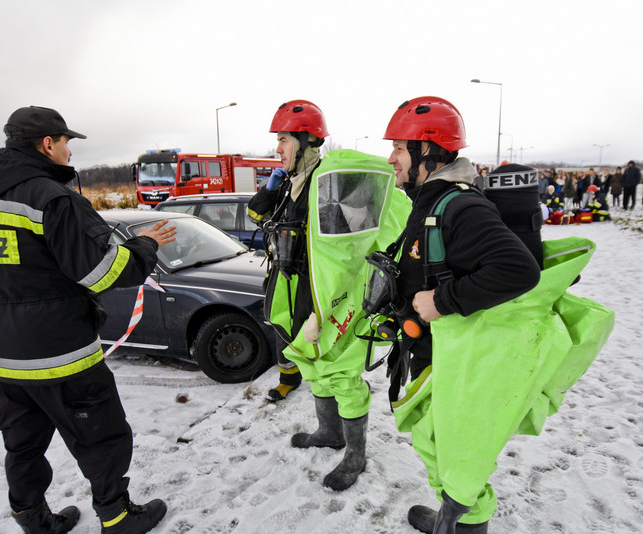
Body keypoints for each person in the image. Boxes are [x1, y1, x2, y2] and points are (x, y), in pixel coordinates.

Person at [377, 96, 614, 534]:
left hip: (455, 360)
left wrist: (442, 301)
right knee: (442, 447)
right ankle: (456, 517)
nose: (391, 158)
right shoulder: (430, 199)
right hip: (434, 351)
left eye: (398, 148)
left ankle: (463, 524)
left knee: (454, 453)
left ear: (428, 152)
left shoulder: (460, 207)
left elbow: (517, 270)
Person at [0, 106, 174, 534]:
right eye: (66, 142)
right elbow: (102, 272)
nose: (70, 152)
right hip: (62, 353)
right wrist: (146, 246)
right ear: (47, 144)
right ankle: (117, 517)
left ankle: (34, 520)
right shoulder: (52, 199)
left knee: (23, 446)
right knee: (102, 437)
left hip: (6, 355)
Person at [247, 100, 408, 491]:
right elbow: (257, 215)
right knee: (311, 364)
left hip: (331, 295)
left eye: (284, 140)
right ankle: (329, 431)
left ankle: (355, 455)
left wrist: (329, 307)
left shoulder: (334, 183)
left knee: (340, 371)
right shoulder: (293, 184)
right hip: (298, 292)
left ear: (306, 142)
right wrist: (273, 187)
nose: (277, 149)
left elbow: (353, 251)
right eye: (278, 141)